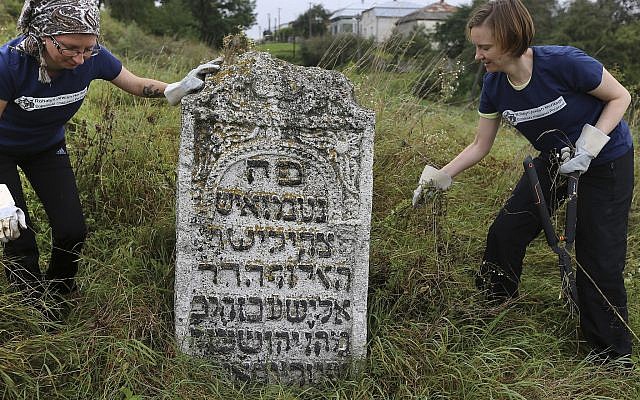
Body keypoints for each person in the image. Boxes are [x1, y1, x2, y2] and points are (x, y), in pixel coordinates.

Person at [413, 0, 634, 365]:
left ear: (511, 40)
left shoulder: (564, 63)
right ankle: (491, 309)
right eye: (476, 47)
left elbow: (620, 96)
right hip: (555, 161)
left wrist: (589, 146)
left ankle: (611, 354)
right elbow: (480, 145)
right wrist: (441, 175)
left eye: (485, 48)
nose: (477, 56)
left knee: (599, 255)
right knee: (506, 231)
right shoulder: (494, 85)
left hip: (605, 161)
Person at [0, 0, 220, 298]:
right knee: (17, 233)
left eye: (88, 48)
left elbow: (136, 84)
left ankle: (59, 296)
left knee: (72, 230)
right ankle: (27, 302)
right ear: (42, 36)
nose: (80, 59)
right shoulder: (8, 65)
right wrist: (1, 200)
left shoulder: (94, 57)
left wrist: (175, 88)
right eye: (70, 49)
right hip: (3, 149)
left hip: (46, 147)